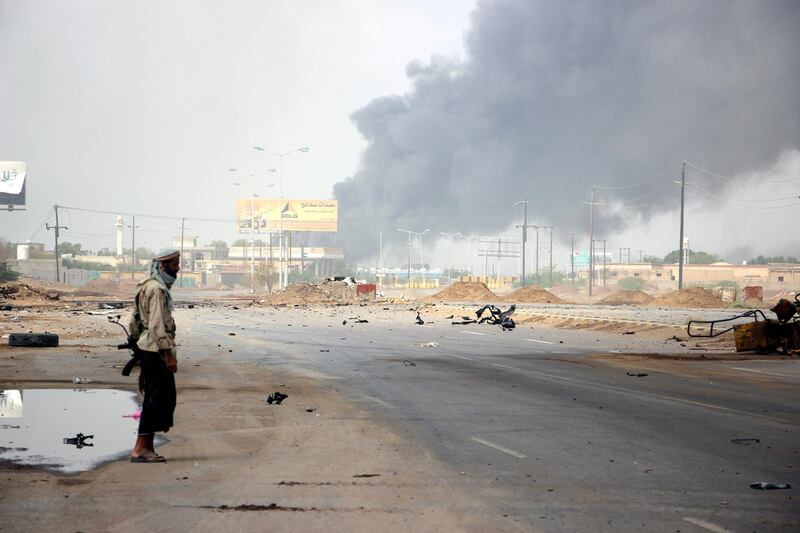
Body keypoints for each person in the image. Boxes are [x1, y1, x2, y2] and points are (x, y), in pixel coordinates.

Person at [127, 250, 180, 463]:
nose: (178, 268)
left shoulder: (145, 285)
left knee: (157, 399)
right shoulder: (157, 289)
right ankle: (140, 450)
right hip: (156, 351)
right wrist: (168, 354)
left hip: (146, 349)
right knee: (156, 400)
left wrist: (136, 348)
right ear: (162, 266)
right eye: (175, 264)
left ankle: (147, 448)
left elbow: (134, 321)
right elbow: (157, 325)